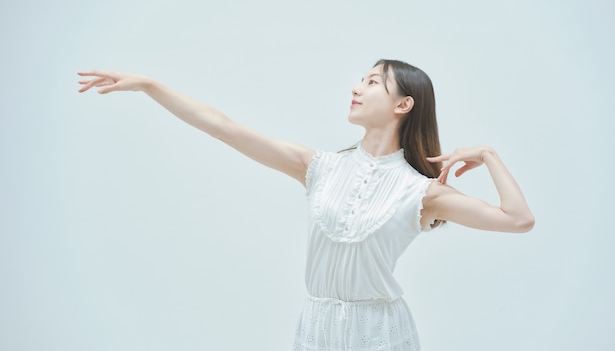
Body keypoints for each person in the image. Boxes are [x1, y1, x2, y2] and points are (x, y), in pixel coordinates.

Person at [78, 59, 534, 351]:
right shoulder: (319, 167)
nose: (357, 87)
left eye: (373, 81)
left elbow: (518, 220)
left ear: (404, 104)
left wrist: (489, 156)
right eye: (360, 78)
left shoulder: (422, 192)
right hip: (316, 327)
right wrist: (151, 86)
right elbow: (223, 127)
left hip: (380, 332)